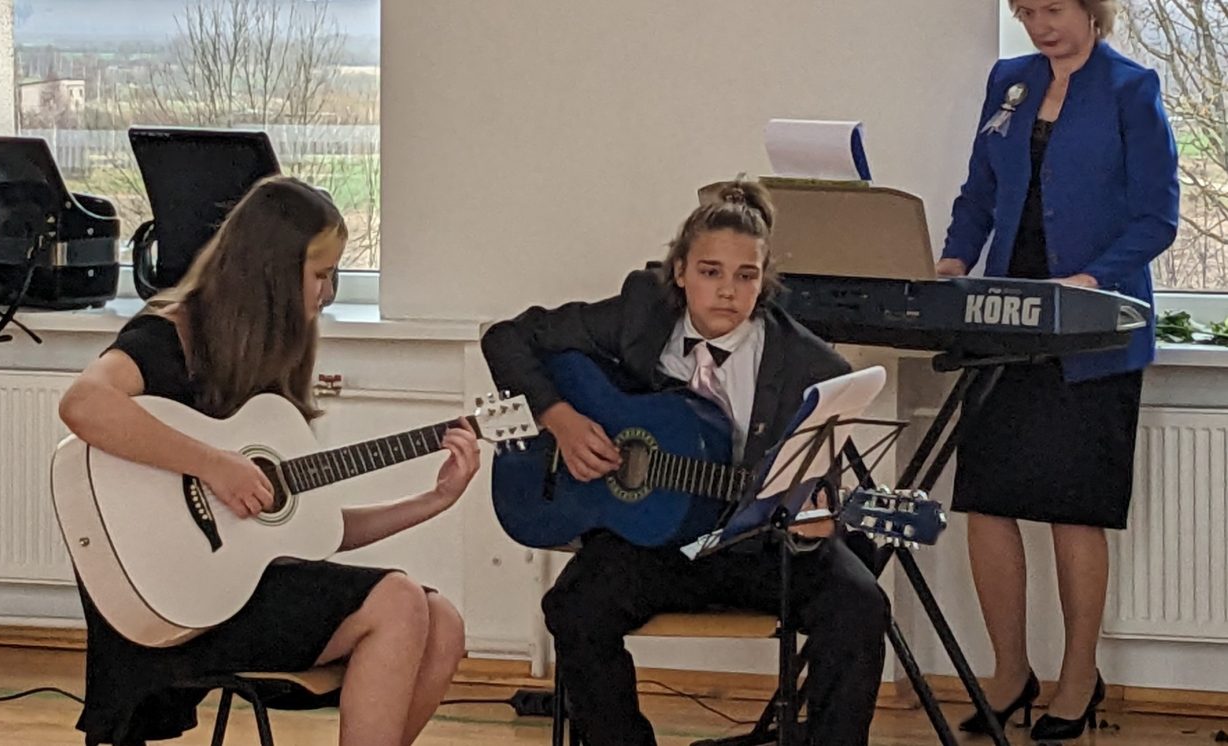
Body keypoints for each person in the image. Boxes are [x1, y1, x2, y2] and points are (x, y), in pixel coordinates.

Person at [58, 176, 480, 746]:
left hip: (245, 590)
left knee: (443, 623)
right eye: (320, 275)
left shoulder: (268, 366)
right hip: (174, 599)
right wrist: (213, 464)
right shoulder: (168, 336)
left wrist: (435, 499)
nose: (327, 294)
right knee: (398, 599)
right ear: (274, 274)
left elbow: (313, 531)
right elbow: (83, 404)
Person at [480, 178, 889, 746]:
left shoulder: (813, 367)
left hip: (760, 548)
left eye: (746, 276)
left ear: (764, 280)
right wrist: (560, 418)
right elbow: (506, 338)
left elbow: (818, 486)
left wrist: (815, 524)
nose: (727, 291)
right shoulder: (640, 315)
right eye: (710, 271)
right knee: (576, 608)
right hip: (655, 542)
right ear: (679, 272)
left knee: (859, 605)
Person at [938, 0, 1179, 740]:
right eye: (1027, 10)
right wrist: (953, 259)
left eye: (1054, 9)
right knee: (987, 501)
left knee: (1075, 508)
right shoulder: (1009, 81)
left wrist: (1092, 279)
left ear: (1091, 8)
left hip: (1093, 329)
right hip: (1005, 323)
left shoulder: (1132, 88)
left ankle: (1078, 678)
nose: (1040, 25)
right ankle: (1011, 672)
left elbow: (1157, 216)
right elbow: (980, 193)